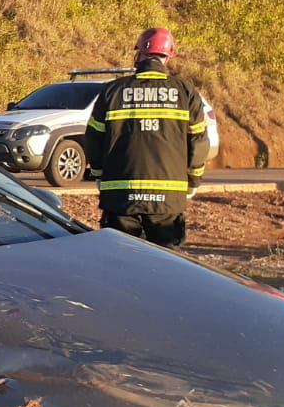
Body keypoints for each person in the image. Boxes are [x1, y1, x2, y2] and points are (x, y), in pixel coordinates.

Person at [84, 27, 208, 248]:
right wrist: (193, 181)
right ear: (169, 55)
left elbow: (93, 138)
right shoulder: (185, 92)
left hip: (119, 195)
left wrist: (98, 174)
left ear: (139, 53)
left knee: (119, 260)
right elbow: (198, 144)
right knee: (168, 263)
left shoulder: (112, 91)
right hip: (168, 198)